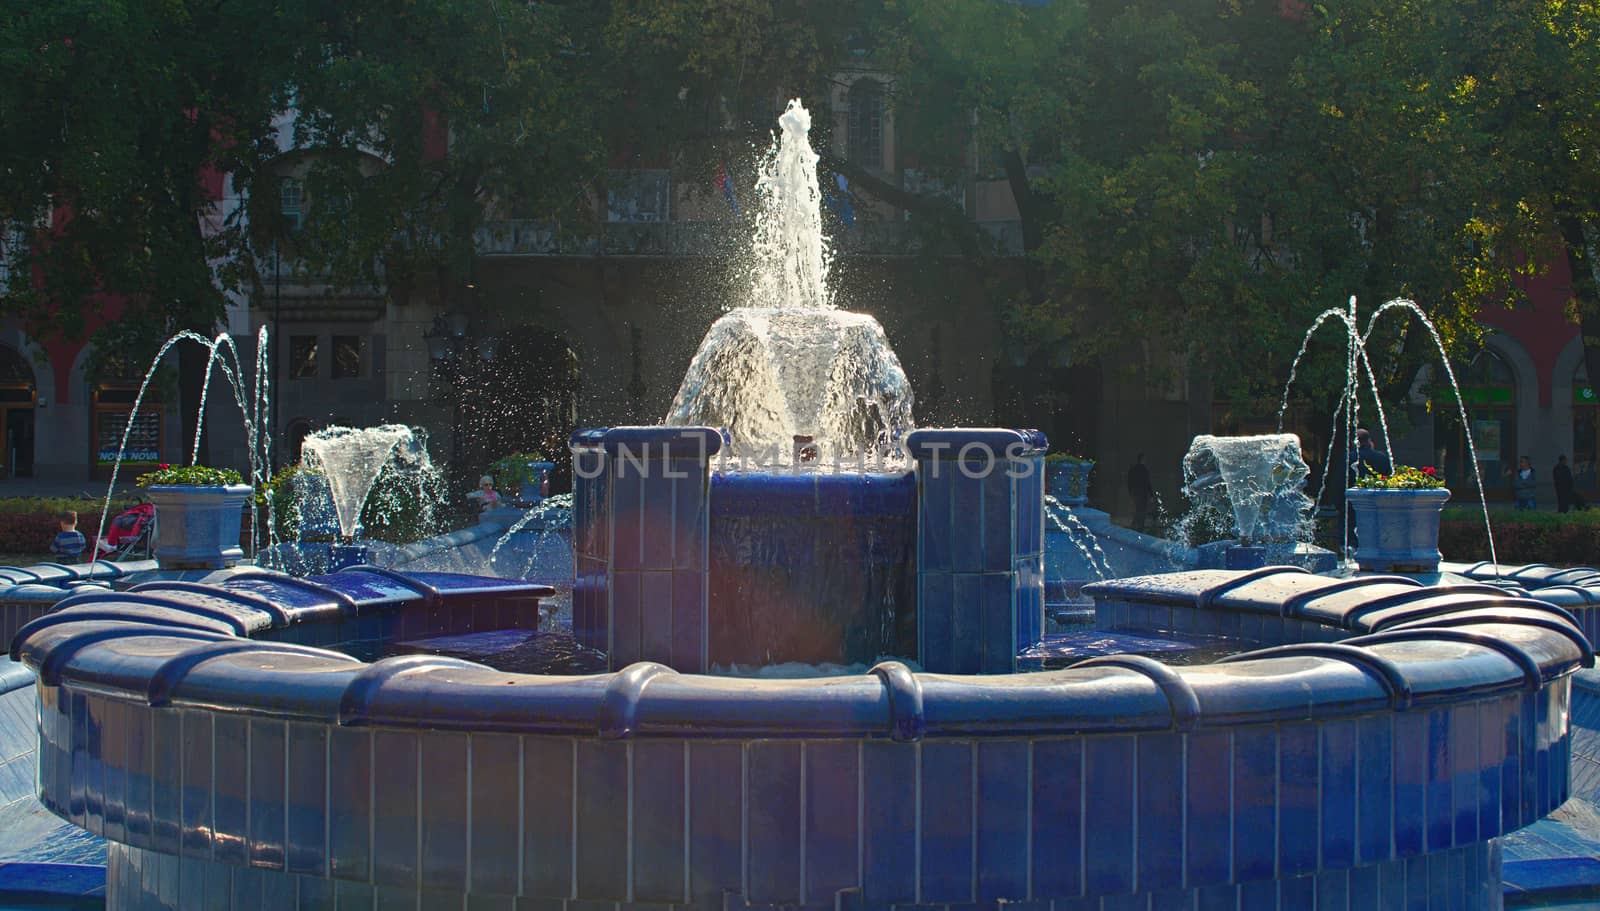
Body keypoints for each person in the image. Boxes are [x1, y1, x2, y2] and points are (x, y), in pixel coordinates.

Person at [1126, 453, 1153, 532]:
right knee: (1142, 510)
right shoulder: (1144, 470)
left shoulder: (1133, 469)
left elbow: (1129, 481)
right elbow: (1147, 483)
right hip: (1142, 492)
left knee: (1137, 508)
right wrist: (1151, 495)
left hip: (1135, 492)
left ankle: (1135, 525)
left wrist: (1130, 491)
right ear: (1143, 460)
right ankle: (1139, 526)